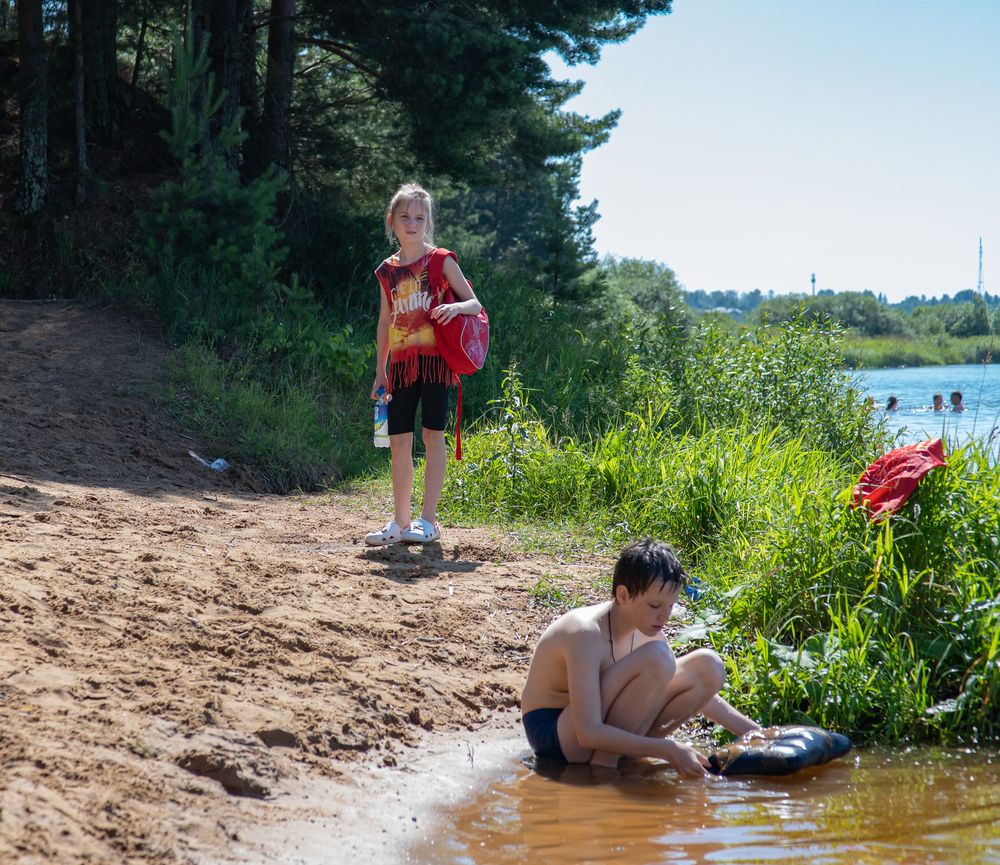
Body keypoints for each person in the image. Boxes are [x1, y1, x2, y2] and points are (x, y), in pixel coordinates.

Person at [520, 539, 759, 778]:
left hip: (596, 733)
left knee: (709, 666)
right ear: (623, 595)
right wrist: (667, 750)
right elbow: (587, 732)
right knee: (659, 658)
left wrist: (755, 733)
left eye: (670, 606)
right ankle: (605, 769)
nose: (664, 616)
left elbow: (685, 685)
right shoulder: (585, 631)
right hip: (558, 737)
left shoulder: (646, 630)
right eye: (655, 605)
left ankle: (619, 764)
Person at [365, 184, 482, 546]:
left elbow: (475, 305)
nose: (412, 223)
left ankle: (428, 521)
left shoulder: (441, 260)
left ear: (428, 222)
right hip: (399, 367)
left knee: (433, 436)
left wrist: (454, 307)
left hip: (434, 365)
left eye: (419, 217)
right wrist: (380, 370)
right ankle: (400, 523)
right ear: (392, 222)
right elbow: (385, 322)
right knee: (398, 442)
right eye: (405, 217)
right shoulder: (387, 271)